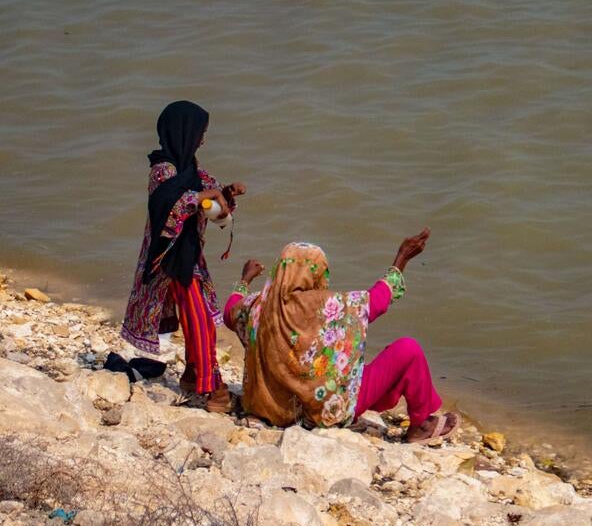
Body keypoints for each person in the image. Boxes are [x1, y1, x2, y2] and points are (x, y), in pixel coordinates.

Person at [223, 230, 461, 443]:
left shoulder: (255, 305)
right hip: (322, 412)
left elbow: (228, 312)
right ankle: (420, 425)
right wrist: (400, 261)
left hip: (273, 409)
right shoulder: (322, 306)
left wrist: (244, 281)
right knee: (408, 349)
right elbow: (376, 302)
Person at [121, 100, 246, 413]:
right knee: (201, 321)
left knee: (195, 318)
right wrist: (206, 197)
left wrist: (226, 192)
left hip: (187, 256)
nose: (202, 139)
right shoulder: (162, 169)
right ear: (184, 132)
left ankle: (192, 375)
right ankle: (213, 390)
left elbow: (208, 189)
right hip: (170, 260)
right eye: (200, 132)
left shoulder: (189, 166)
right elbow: (169, 203)